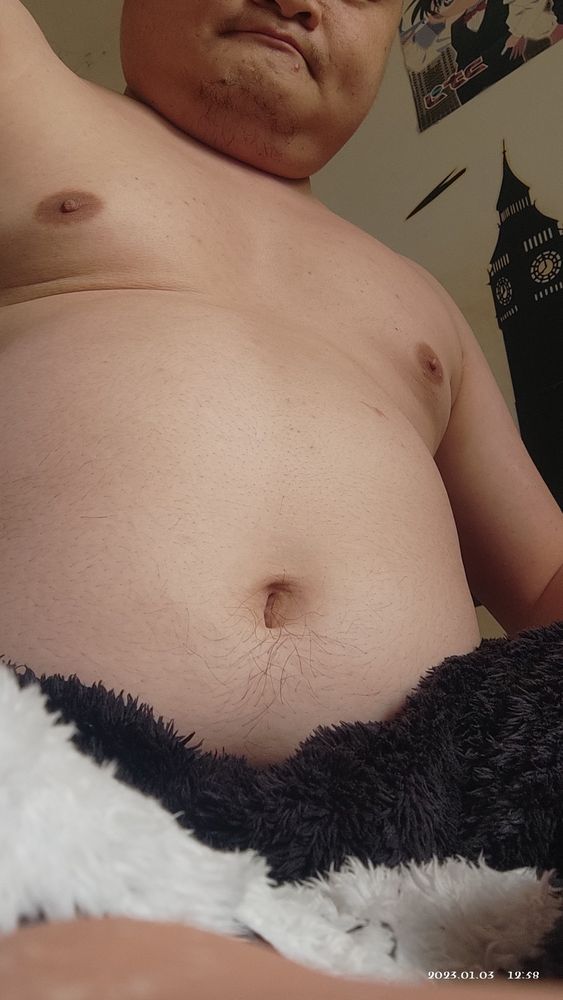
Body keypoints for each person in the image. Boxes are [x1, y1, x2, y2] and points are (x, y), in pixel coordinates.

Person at [1, 1, 562, 994]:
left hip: (414, 836)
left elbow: (546, 576)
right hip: (55, 784)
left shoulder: (419, 301)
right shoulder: (29, 104)